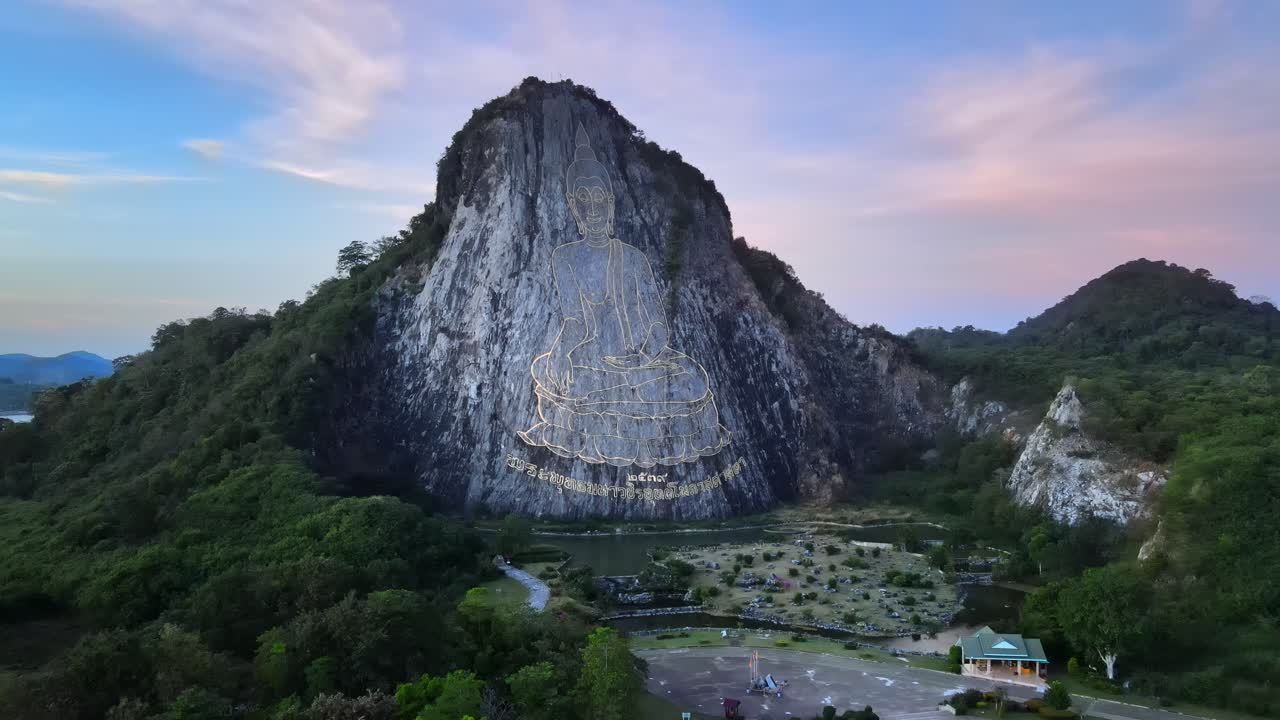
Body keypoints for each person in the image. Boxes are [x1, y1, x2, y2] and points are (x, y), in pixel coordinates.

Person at [519, 124, 730, 468]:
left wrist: (644, 356)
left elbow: (658, 325)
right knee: (550, 370)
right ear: (572, 205)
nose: (593, 208)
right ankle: (614, 411)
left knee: (691, 378)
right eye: (583, 200)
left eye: (599, 198)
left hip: (640, 365)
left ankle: (615, 412)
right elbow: (575, 320)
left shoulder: (633, 258)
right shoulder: (565, 257)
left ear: (611, 202)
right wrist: (560, 352)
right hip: (592, 362)